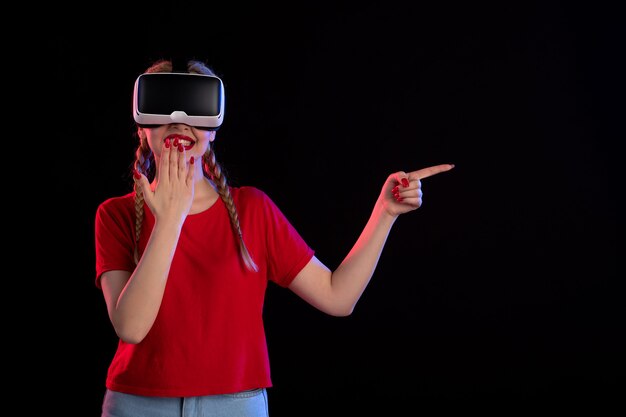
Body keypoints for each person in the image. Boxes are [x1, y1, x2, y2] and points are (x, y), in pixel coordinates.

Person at [94, 58, 455, 417]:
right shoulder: (115, 214)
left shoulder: (253, 209)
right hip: (137, 404)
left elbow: (337, 297)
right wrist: (171, 218)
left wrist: (385, 213)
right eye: (163, 108)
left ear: (213, 129)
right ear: (141, 127)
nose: (180, 121)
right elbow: (131, 327)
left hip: (236, 405)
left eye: (195, 110)